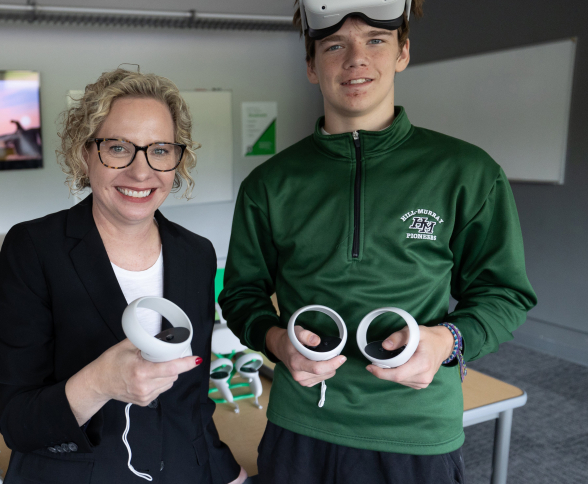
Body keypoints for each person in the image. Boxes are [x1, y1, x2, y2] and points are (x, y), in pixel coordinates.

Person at [218, 1, 537, 482]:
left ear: (403, 51)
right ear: (311, 65)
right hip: (301, 424)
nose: (355, 60)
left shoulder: (467, 172)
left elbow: (504, 293)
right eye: (334, 45)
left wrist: (447, 340)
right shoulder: (270, 184)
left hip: (417, 428)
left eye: (375, 40)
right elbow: (242, 295)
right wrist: (278, 342)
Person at [0, 68, 246, 484]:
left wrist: (224, 470)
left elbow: (191, 403)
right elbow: (18, 423)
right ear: (85, 152)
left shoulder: (196, 254)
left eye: (160, 150)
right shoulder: (33, 249)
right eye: (119, 147)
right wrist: (99, 383)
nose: (141, 172)